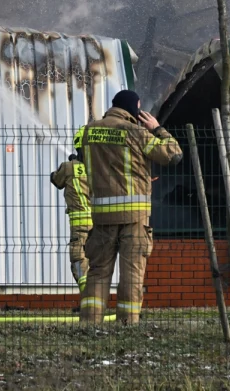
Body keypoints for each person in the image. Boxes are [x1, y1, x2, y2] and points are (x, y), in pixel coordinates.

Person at [79, 90, 182, 324]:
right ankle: (127, 325)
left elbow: (105, 165)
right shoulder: (135, 132)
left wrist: (140, 174)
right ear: (135, 107)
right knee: (132, 274)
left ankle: (89, 324)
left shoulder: (89, 131)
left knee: (98, 272)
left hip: (102, 216)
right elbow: (173, 154)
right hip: (134, 217)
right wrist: (157, 128)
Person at [50, 126, 92, 293]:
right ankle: (96, 299)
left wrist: (71, 162)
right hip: (101, 224)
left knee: (78, 259)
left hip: (80, 225)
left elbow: (56, 180)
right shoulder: (101, 167)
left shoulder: (68, 167)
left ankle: (87, 297)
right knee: (97, 262)